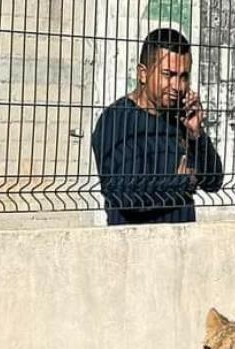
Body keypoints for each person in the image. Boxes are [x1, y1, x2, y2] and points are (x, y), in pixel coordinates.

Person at [92, 28, 223, 225]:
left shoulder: (180, 118)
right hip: (135, 246)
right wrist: (182, 183)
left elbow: (214, 181)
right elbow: (125, 197)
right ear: (143, 74)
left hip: (181, 247)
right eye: (168, 74)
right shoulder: (117, 120)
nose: (177, 86)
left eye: (183, 76)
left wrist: (197, 134)